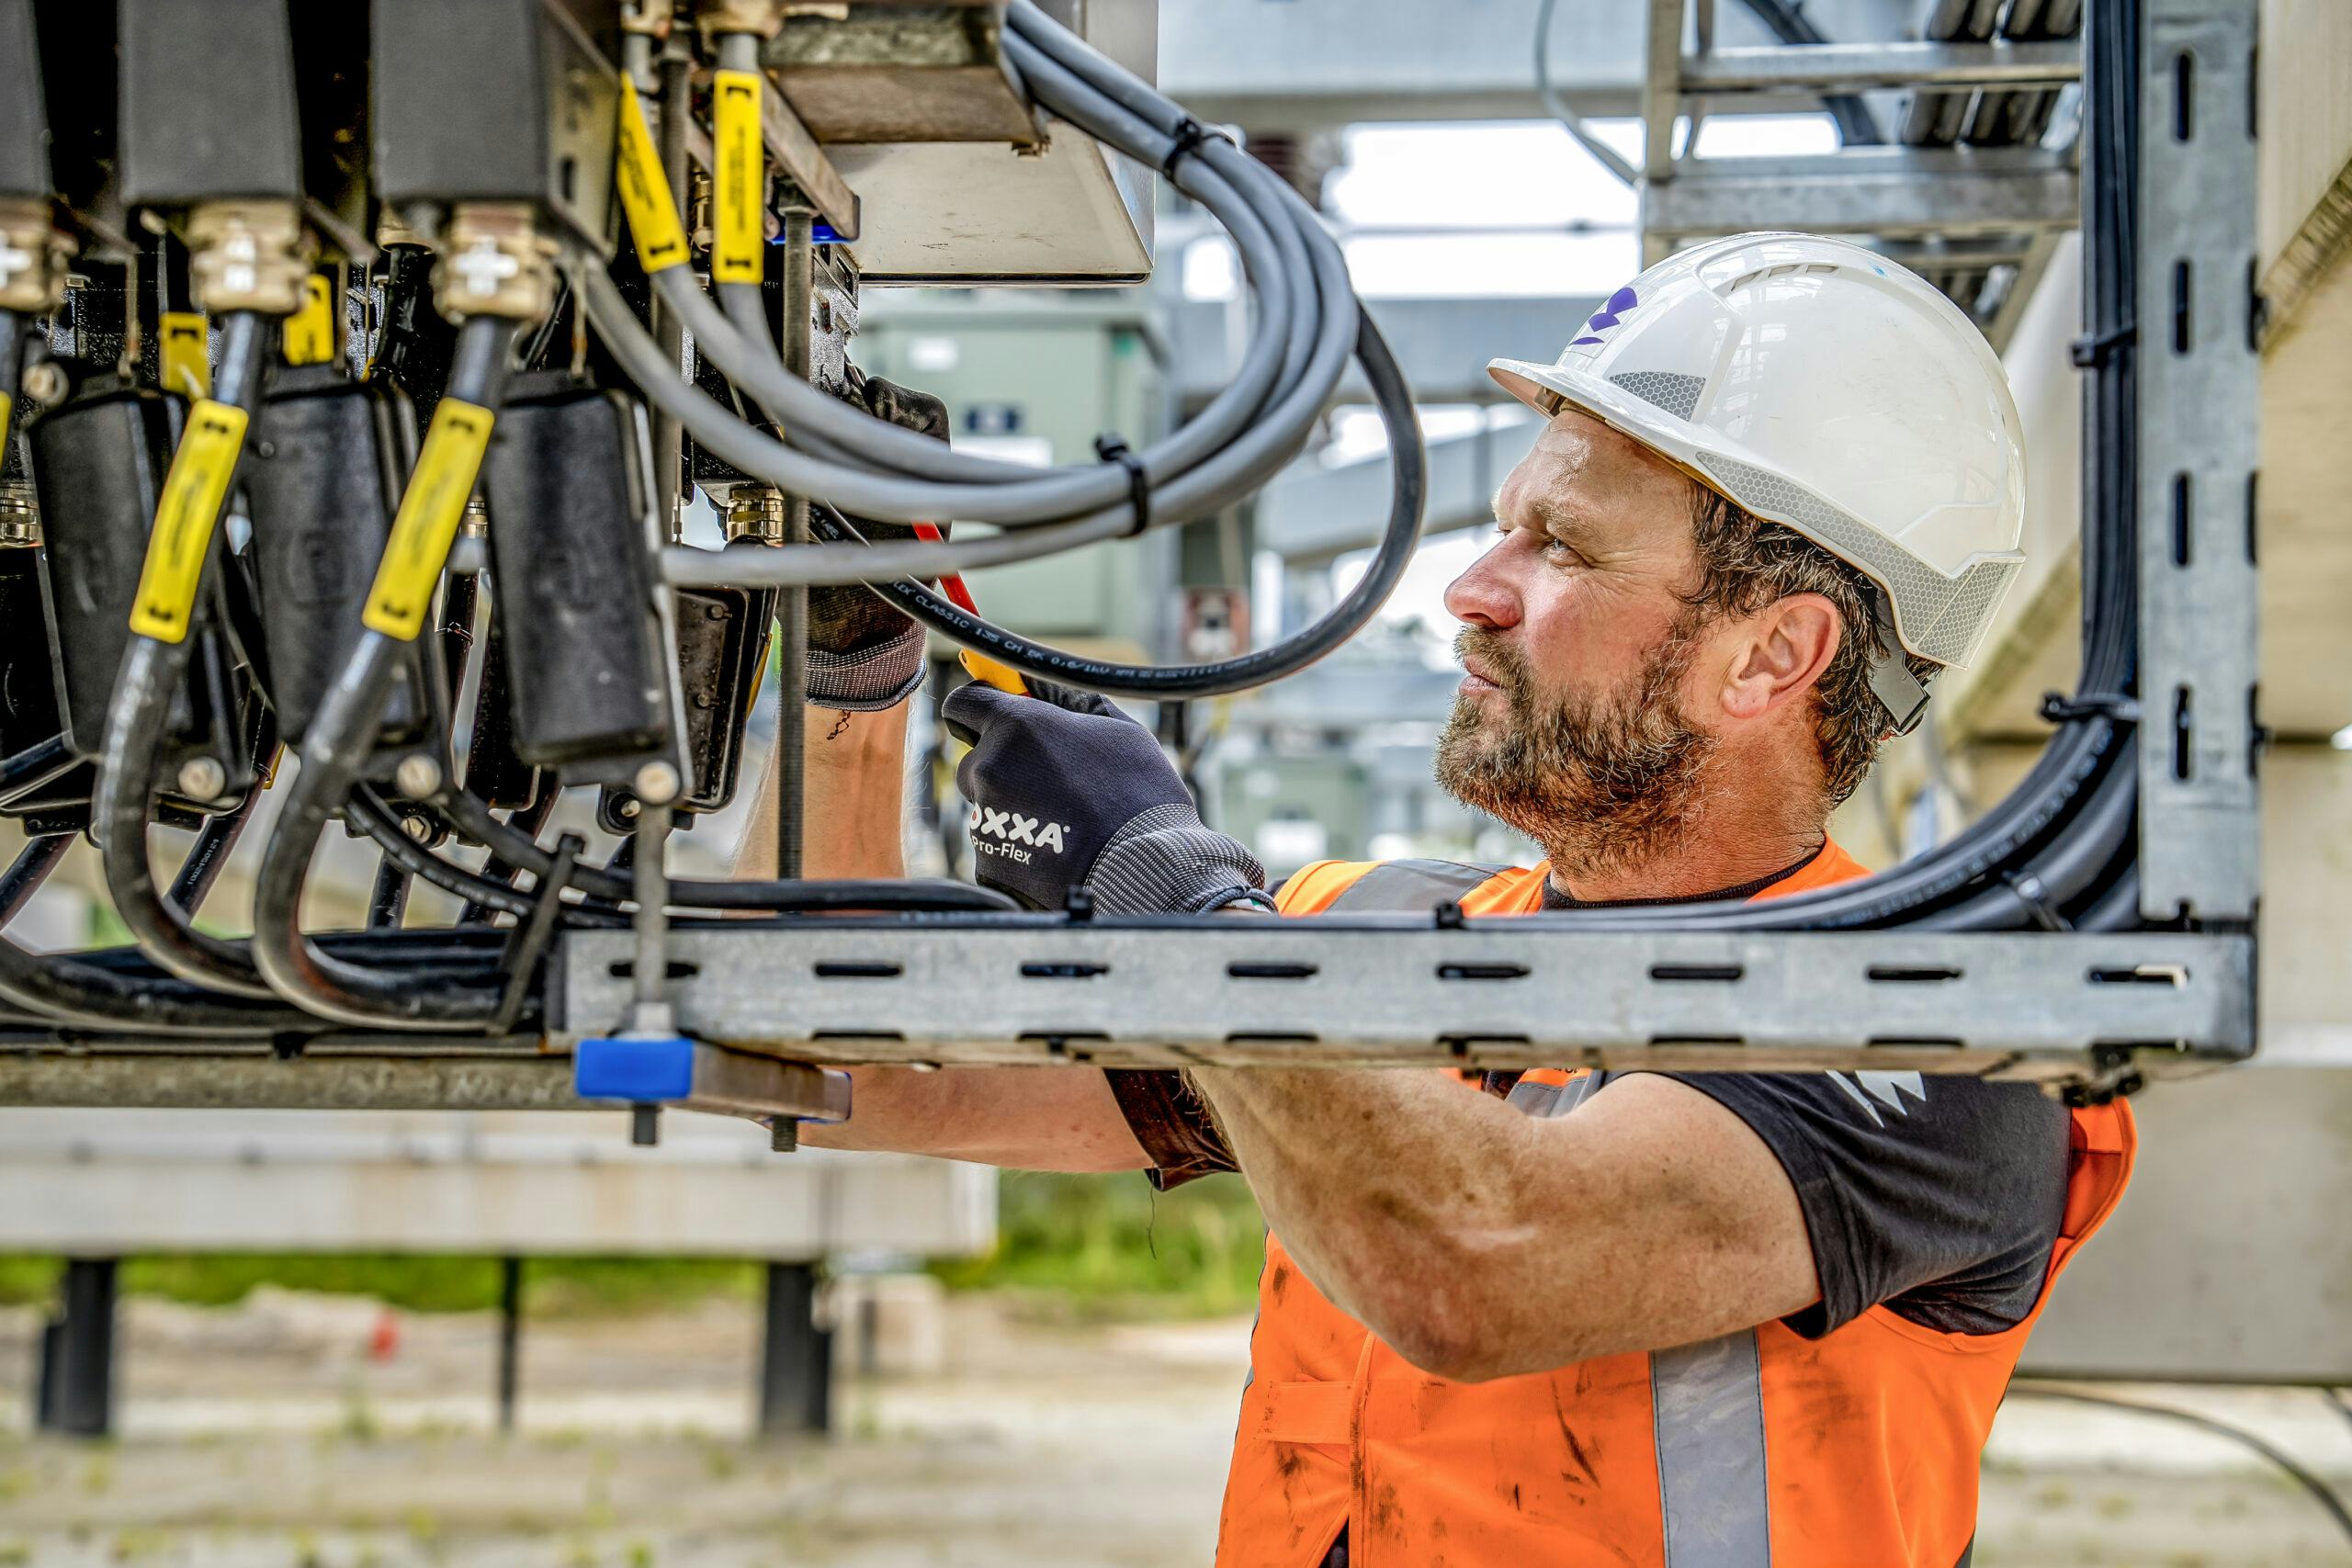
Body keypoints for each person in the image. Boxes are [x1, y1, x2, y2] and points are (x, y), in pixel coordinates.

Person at [747, 233, 2136, 1568]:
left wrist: (1169, 903)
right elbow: (843, 1060)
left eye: (1565, 549)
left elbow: (1475, 1262)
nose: (1473, 591)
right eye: (1503, 533)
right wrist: (853, 651)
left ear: (1773, 654)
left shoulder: (1940, 1041)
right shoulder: (1367, 931)